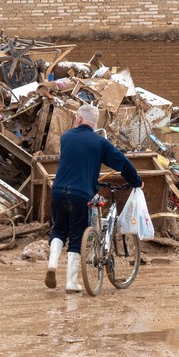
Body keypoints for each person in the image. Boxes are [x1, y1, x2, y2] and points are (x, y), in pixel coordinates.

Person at [47, 103, 142, 292]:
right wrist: (136, 181)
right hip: (81, 194)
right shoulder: (100, 143)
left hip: (58, 191)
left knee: (59, 230)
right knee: (76, 236)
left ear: (80, 119)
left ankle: (52, 265)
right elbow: (122, 162)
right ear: (93, 122)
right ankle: (71, 283)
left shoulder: (66, 137)